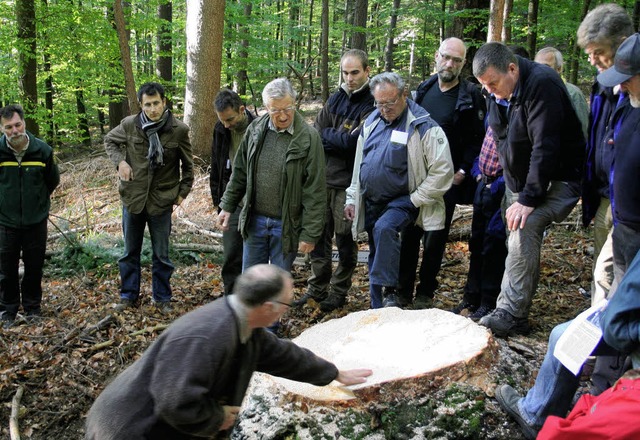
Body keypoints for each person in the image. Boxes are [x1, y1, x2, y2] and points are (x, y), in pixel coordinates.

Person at [84, 264, 372, 439]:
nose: (286, 313)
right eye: (286, 305)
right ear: (268, 308)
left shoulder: (245, 325)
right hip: (127, 428)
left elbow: (284, 356)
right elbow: (175, 401)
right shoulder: (206, 336)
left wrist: (334, 373)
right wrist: (216, 418)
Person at [473, 42, 584, 337]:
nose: (491, 91)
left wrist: (528, 198)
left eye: (494, 84)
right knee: (512, 236)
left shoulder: (543, 84)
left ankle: (512, 314)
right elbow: (501, 139)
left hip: (560, 178)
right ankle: (503, 305)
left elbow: (544, 147)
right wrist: (513, 189)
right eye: (485, 86)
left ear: (512, 68)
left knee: (525, 225)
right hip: (523, 182)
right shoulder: (496, 91)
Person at [345, 72, 453, 309]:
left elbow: (443, 172)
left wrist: (416, 199)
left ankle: (390, 293)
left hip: (403, 199)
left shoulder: (423, 126)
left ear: (404, 94)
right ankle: (377, 306)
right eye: (379, 103)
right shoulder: (372, 121)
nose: (384, 108)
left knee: (386, 229)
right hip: (372, 199)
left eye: (390, 102)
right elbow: (358, 165)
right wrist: (352, 197)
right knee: (376, 250)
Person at [398, 37, 485, 310]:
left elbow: (477, 140)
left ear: (463, 63)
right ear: (437, 56)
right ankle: (402, 293)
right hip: (415, 176)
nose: (450, 64)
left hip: (447, 180)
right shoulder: (423, 90)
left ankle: (425, 293)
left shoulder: (470, 96)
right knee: (409, 235)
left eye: (457, 60)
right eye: (446, 57)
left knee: (435, 239)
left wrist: (461, 171)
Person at [577, 4, 634, 395]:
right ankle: (605, 351)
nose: (595, 61)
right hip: (609, 196)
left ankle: (616, 367)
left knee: (618, 282)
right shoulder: (603, 84)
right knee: (605, 276)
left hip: (631, 208)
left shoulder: (631, 86)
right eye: (590, 54)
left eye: (600, 52)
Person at [217, 78, 326, 273]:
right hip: (255, 221)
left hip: (286, 225)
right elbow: (240, 171)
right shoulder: (256, 129)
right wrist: (227, 206)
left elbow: (315, 190)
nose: (283, 116)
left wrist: (309, 233)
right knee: (251, 283)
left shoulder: (309, 138)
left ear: (294, 102)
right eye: (276, 110)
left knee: (276, 285)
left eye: (288, 108)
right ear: (267, 108)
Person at [294, 49, 374, 313]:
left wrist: (332, 136)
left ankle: (339, 292)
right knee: (317, 237)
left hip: (348, 184)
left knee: (345, 239)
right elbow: (316, 133)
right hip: (322, 181)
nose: (349, 78)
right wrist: (334, 137)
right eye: (345, 73)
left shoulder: (371, 103)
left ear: (366, 71)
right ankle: (316, 289)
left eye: (354, 72)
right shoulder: (336, 98)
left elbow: (353, 144)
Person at [105, 82, 194, 313]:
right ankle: (128, 296)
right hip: (133, 198)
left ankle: (162, 298)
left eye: (156, 103)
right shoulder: (129, 125)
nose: (153, 109)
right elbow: (110, 141)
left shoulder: (179, 129)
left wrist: (182, 193)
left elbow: (189, 167)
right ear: (141, 105)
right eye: (148, 104)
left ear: (164, 102)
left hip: (162, 201)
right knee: (129, 253)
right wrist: (120, 163)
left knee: (161, 255)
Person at [0, 104, 60, 329]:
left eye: (17, 125)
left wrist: (37, 203)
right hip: (6, 222)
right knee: (6, 269)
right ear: (2, 129)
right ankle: (8, 310)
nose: (14, 131)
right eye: (8, 127)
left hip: (36, 221)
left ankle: (33, 308)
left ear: (24, 123)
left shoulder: (42, 151)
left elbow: (52, 180)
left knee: (34, 267)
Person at [210, 89, 255, 295]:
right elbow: (216, 167)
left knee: (254, 256)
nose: (226, 125)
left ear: (242, 110)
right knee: (231, 255)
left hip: (256, 202)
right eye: (222, 120)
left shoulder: (258, 129)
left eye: (230, 119)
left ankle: (252, 301)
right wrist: (218, 202)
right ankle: (231, 299)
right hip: (232, 202)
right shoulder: (221, 129)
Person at [534, 47, 589, 138]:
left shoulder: (573, 94)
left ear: (559, 69)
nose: (540, 70)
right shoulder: (534, 93)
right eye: (536, 66)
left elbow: (582, 131)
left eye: (545, 66)